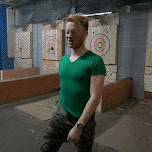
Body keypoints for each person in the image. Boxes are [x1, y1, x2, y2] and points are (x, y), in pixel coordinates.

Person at [40, 13, 106, 152]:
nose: (69, 36)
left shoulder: (94, 61)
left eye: (74, 32)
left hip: (82, 121)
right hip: (60, 114)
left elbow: (95, 97)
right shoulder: (64, 60)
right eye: (68, 31)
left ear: (85, 34)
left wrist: (79, 126)